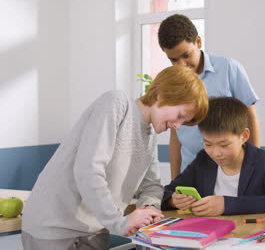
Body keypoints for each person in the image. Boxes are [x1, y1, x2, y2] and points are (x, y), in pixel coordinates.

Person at [21, 66, 209, 249]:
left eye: (183, 122)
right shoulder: (117, 103)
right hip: (53, 228)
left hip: (94, 230)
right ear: (162, 95)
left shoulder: (149, 135)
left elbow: (152, 185)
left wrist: (149, 209)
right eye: (180, 115)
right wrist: (118, 222)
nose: (177, 126)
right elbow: (88, 171)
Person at [158, 14, 260, 179]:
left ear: (198, 42)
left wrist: (255, 169)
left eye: (186, 55)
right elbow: (175, 136)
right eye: (173, 60)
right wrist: (174, 181)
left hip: (231, 170)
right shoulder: (172, 81)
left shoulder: (229, 69)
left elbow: (250, 117)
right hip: (191, 172)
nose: (181, 65)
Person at [161, 97, 265, 216]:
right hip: (208, 233)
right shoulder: (204, 159)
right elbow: (167, 192)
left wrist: (226, 205)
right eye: (208, 144)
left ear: (244, 136)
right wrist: (173, 200)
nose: (216, 153)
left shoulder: (262, 161)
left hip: (246, 235)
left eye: (224, 145)